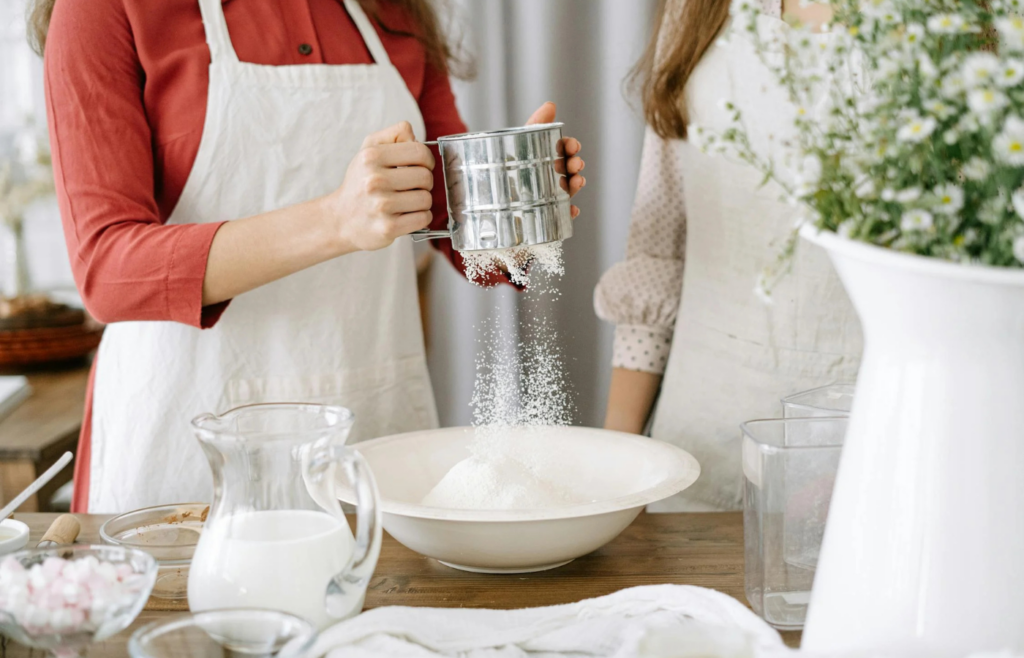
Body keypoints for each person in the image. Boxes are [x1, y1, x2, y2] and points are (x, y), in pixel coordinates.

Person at [30, 0, 585, 513]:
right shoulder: (102, 9)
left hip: (371, 436)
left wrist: (522, 200)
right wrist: (334, 221)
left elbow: (465, 234)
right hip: (189, 458)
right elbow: (108, 270)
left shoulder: (388, 9)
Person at [594, 0, 860, 511]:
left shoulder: (961, 19)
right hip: (703, 449)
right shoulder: (695, 10)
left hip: (873, 437)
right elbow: (659, 252)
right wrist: (617, 467)